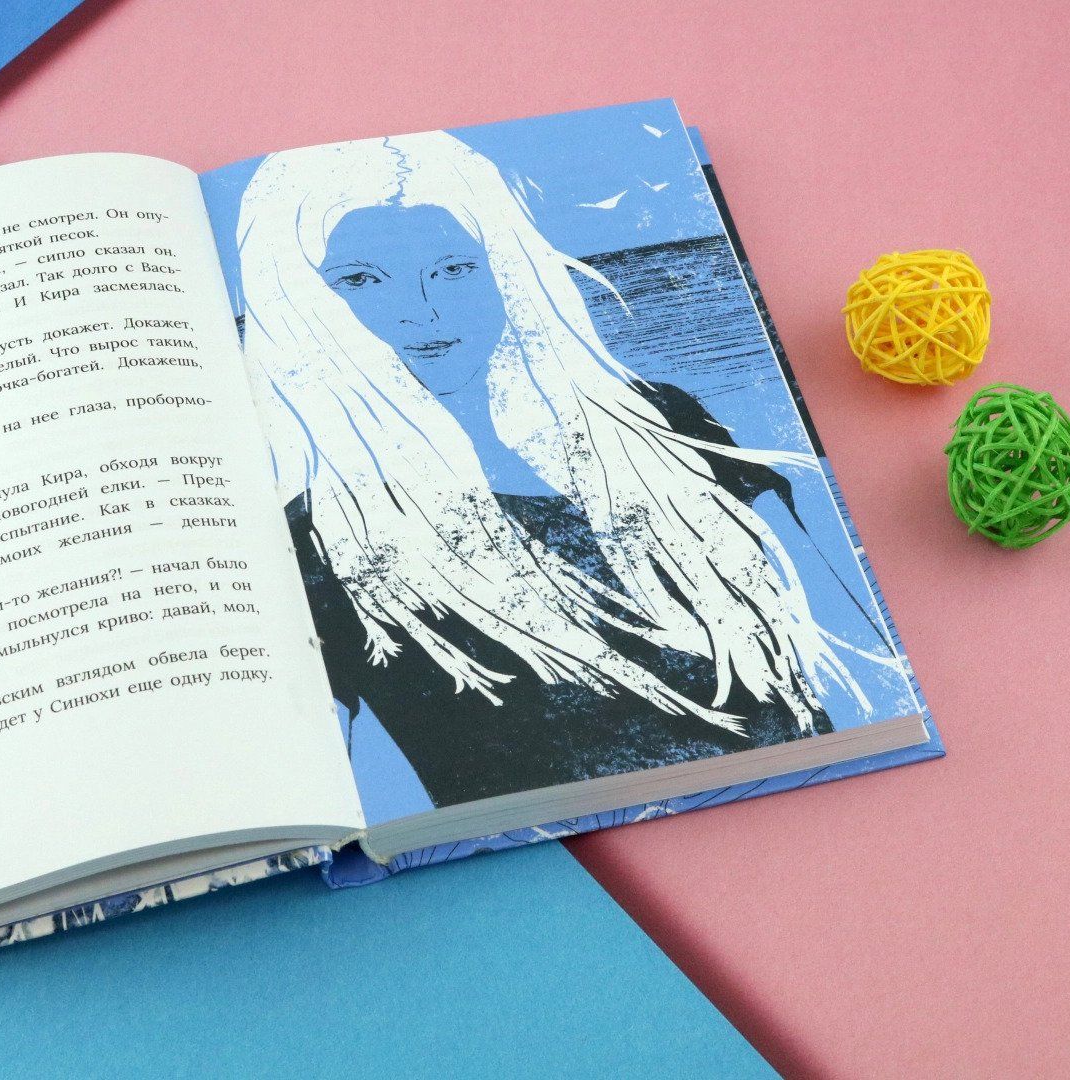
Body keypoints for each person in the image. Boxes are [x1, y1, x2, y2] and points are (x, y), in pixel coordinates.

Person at [235, 131, 869, 806]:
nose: (422, 310)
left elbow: (852, 646)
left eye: (453, 268)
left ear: (505, 269)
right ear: (300, 301)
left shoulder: (660, 422)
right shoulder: (315, 544)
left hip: (814, 795)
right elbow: (344, 801)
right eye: (361, 280)